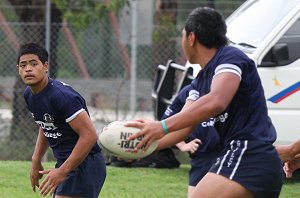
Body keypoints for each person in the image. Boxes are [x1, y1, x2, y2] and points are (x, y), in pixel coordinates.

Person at [127, 7, 283, 197]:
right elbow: (184, 127)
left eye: (183, 36)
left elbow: (217, 100)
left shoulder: (230, 58)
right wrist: (138, 146)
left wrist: (162, 125)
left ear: (191, 38)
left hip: (248, 155)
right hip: (249, 160)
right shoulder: (200, 81)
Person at [17, 43, 106, 198]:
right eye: (23, 65)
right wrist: (36, 159)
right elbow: (46, 124)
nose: (28, 69)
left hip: (85, 164)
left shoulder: (61, 96)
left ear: (45, 66)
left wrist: (63, 171)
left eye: (33, 64)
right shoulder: (29, 94)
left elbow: (90, 135)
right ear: (18, 69)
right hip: (67, 163)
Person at [157, 84, 222, 197]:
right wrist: (182, 145)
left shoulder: (227, 90)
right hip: (201, 157)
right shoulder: (189, 91)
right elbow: (167, 124)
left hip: (226, 155)